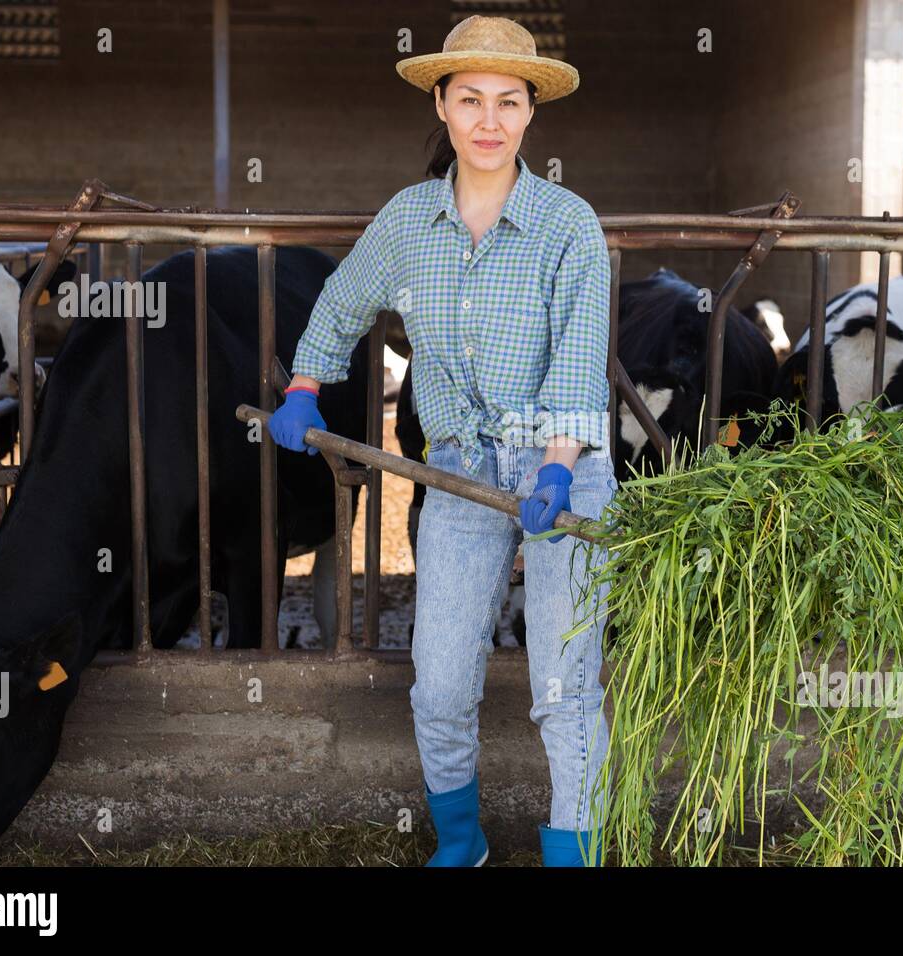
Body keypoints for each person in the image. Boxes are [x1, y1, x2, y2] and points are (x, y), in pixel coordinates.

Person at [270, 14, 616, 867]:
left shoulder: (570, 224)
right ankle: (461, 845)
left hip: (563, 477)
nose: (489, 121)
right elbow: (344, 301)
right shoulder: (406, 219)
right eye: (470, 100)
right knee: (441, 682)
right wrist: (307, 383)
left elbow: (578, 365)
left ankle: (573, 855)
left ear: (532, 113)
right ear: (442, 104)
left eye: (508, 101)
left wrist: (558, 469)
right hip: (459, 474)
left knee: (563, 690)